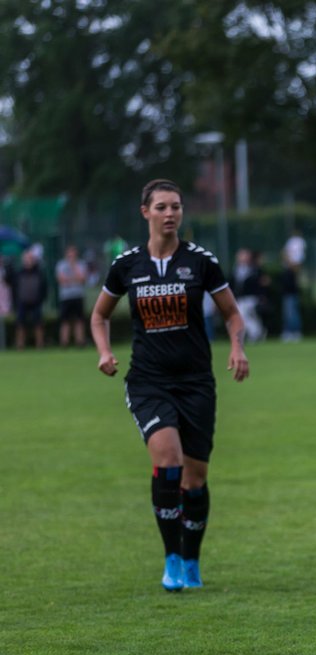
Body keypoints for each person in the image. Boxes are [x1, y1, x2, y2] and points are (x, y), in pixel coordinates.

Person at [90, 178, 250, 591]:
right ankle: (172, 558)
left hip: (196, 382)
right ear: (145, 212)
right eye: (161, 207)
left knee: (194, 478)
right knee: (167, 459)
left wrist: (237, 347)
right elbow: (99, 315)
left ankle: (193, 560)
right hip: (148, 381)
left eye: (176, 207)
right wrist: (104, 351)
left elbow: (233, 314)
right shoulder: (127, 265)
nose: (170, 214)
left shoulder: (200, 262)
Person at [14, 249, 48, 350]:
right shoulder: (19, 273)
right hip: (22, 302)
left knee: (38, 323)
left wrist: (41, 299)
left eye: (30, 258)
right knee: (20, 323)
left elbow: (44, 288)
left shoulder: (39, 273)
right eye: (26, 259)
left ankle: (40, 344)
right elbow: (14, 288)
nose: (28, 261)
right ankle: (20, 345)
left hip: (36, 302)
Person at [56, 245, 89, 348]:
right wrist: (74, 279)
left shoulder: (81, 264)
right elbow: (62, 281)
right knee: (65, 320)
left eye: (73, 253)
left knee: (79, 320)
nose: (71, 256)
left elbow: (82, 279)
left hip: (78, 295)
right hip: (66, 297)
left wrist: (74, 267)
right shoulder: (61, 265)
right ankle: (64, 342)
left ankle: (80, 341)